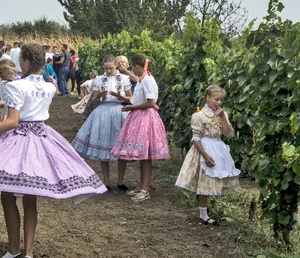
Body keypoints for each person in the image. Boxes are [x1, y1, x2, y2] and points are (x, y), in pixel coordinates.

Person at [0, 43, 107, 258]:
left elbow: (12, 121)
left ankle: (13, 249)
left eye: (21, 61)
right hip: (41, 137)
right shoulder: (49, 86)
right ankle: (28, 253)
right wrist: (6, 102)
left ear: (27, 62)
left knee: (8, 192)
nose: (20, 64)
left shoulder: (14, 85)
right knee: (30, 197)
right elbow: (32, 101)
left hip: (18, 139)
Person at [175, 85, 241, 225]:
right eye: (216, 99)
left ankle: (208, 210)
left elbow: (228, 133)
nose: (219, 103)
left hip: (217, 147)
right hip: (204, 149)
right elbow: (196, 138)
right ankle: (203, 214)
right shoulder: (199, 116)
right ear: (208, 98)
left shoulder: (222, 114)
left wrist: (223, 117)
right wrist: (205, 155)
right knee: (204, 180)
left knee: (214, 179)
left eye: (221, 100)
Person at [111, 54, 170, 202]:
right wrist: (127, 73)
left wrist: (133, 107)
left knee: (146, 156)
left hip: (146, 118)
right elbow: (139, 81)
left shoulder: (148, 80)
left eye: (132, 67)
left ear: (137, 66)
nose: (132, 69)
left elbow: (151, 103)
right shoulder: (144, 78)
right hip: (140, 117)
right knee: (142, 156)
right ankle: (142, 186)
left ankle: (145, 189)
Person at [72, 56, 132, 191]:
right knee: (103, 144)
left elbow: (130, 98)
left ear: (116, 66)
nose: (109, 71)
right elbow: (93, 102)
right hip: (103, 112)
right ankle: (106, 181)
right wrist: (98, 95)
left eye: (111, 68)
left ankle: (120, 181)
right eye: (106, 68)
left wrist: (120, 97)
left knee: (120, 146)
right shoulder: (99, 79)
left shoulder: (123, 78)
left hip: (119, 110)